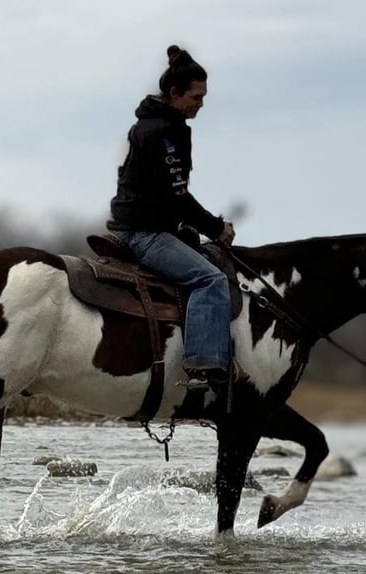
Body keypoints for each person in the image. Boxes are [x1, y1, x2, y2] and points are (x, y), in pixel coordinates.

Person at [107, 45, 235, 389]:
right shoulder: (162, 132)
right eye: (196, 96)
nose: (201, 104)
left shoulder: (159, 125)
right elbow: (176, 196)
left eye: (204, 96)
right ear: (174, 93)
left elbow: (169, 195)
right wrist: (216, 227)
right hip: (144, 233)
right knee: (211, 280)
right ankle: (203, 366)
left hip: (148, 224)